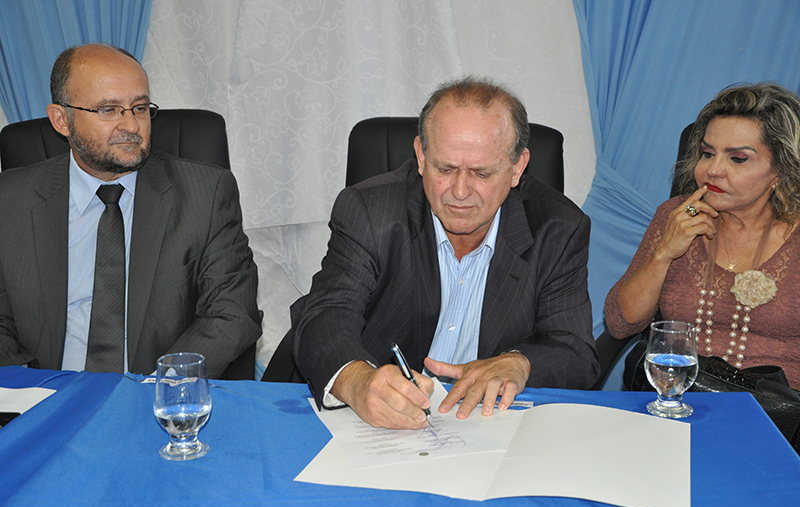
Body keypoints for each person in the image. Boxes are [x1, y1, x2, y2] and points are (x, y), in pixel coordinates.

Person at [291, 76, 598, 429]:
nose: (460, 191)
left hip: (487, 428)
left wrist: (520, 362)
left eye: (481, 173)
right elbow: (325, 317)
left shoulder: (558, 228)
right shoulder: (370, 212)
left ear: (516, 167)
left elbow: (576, 353)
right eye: (445, 169)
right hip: (376, 428)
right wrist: (357, 382)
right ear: (422, 156)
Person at [0, 43, 262, 378]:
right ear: (61, 120)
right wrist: (29, 388)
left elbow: (231, 313)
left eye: (139, 108)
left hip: (156, 391)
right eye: (108, 110)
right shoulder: (10, 199)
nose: (132, 126)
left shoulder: (206, 194)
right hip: (49, 392)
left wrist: (160, 388)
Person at [605, 83, 800, 389]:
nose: (713, 170)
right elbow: (620, 323)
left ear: (780, 170)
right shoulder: (679, 214)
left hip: (776, 410)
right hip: (678, 398)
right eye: (708, 154)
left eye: (737, 159)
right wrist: (663, 253)